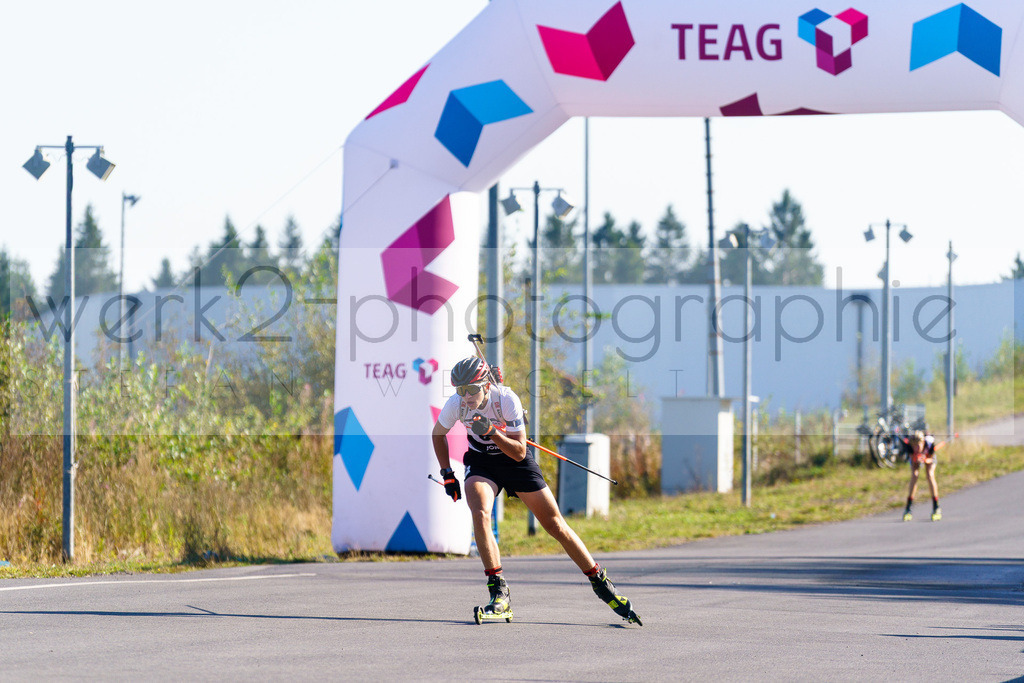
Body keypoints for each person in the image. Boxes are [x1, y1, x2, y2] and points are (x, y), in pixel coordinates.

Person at [431, 356, 641, 625]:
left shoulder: (506, 399)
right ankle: (499, 593)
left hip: (513, 459)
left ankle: (601, 583)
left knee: (555, 525)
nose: (467, 397)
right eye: (461, 390)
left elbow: (519, 453)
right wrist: (447, 473)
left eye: (472, 389)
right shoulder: (456, 405)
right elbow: (438, 434)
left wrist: (493, 431)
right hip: (482, 461)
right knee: (480, 512)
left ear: (485, 384)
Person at [902, 430, 941, 522]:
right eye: (914, 446)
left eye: (918, 446)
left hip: (928, 457)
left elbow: (931, 459)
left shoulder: (929, 444)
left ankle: (936, 507)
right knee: (914, 475)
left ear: (923, 442)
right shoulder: (909, 447)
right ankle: (908, 508)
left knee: (930, 475)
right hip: (917, 458)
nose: (916, 448)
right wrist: (917, 459)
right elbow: (912, 458)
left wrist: (925, 459)